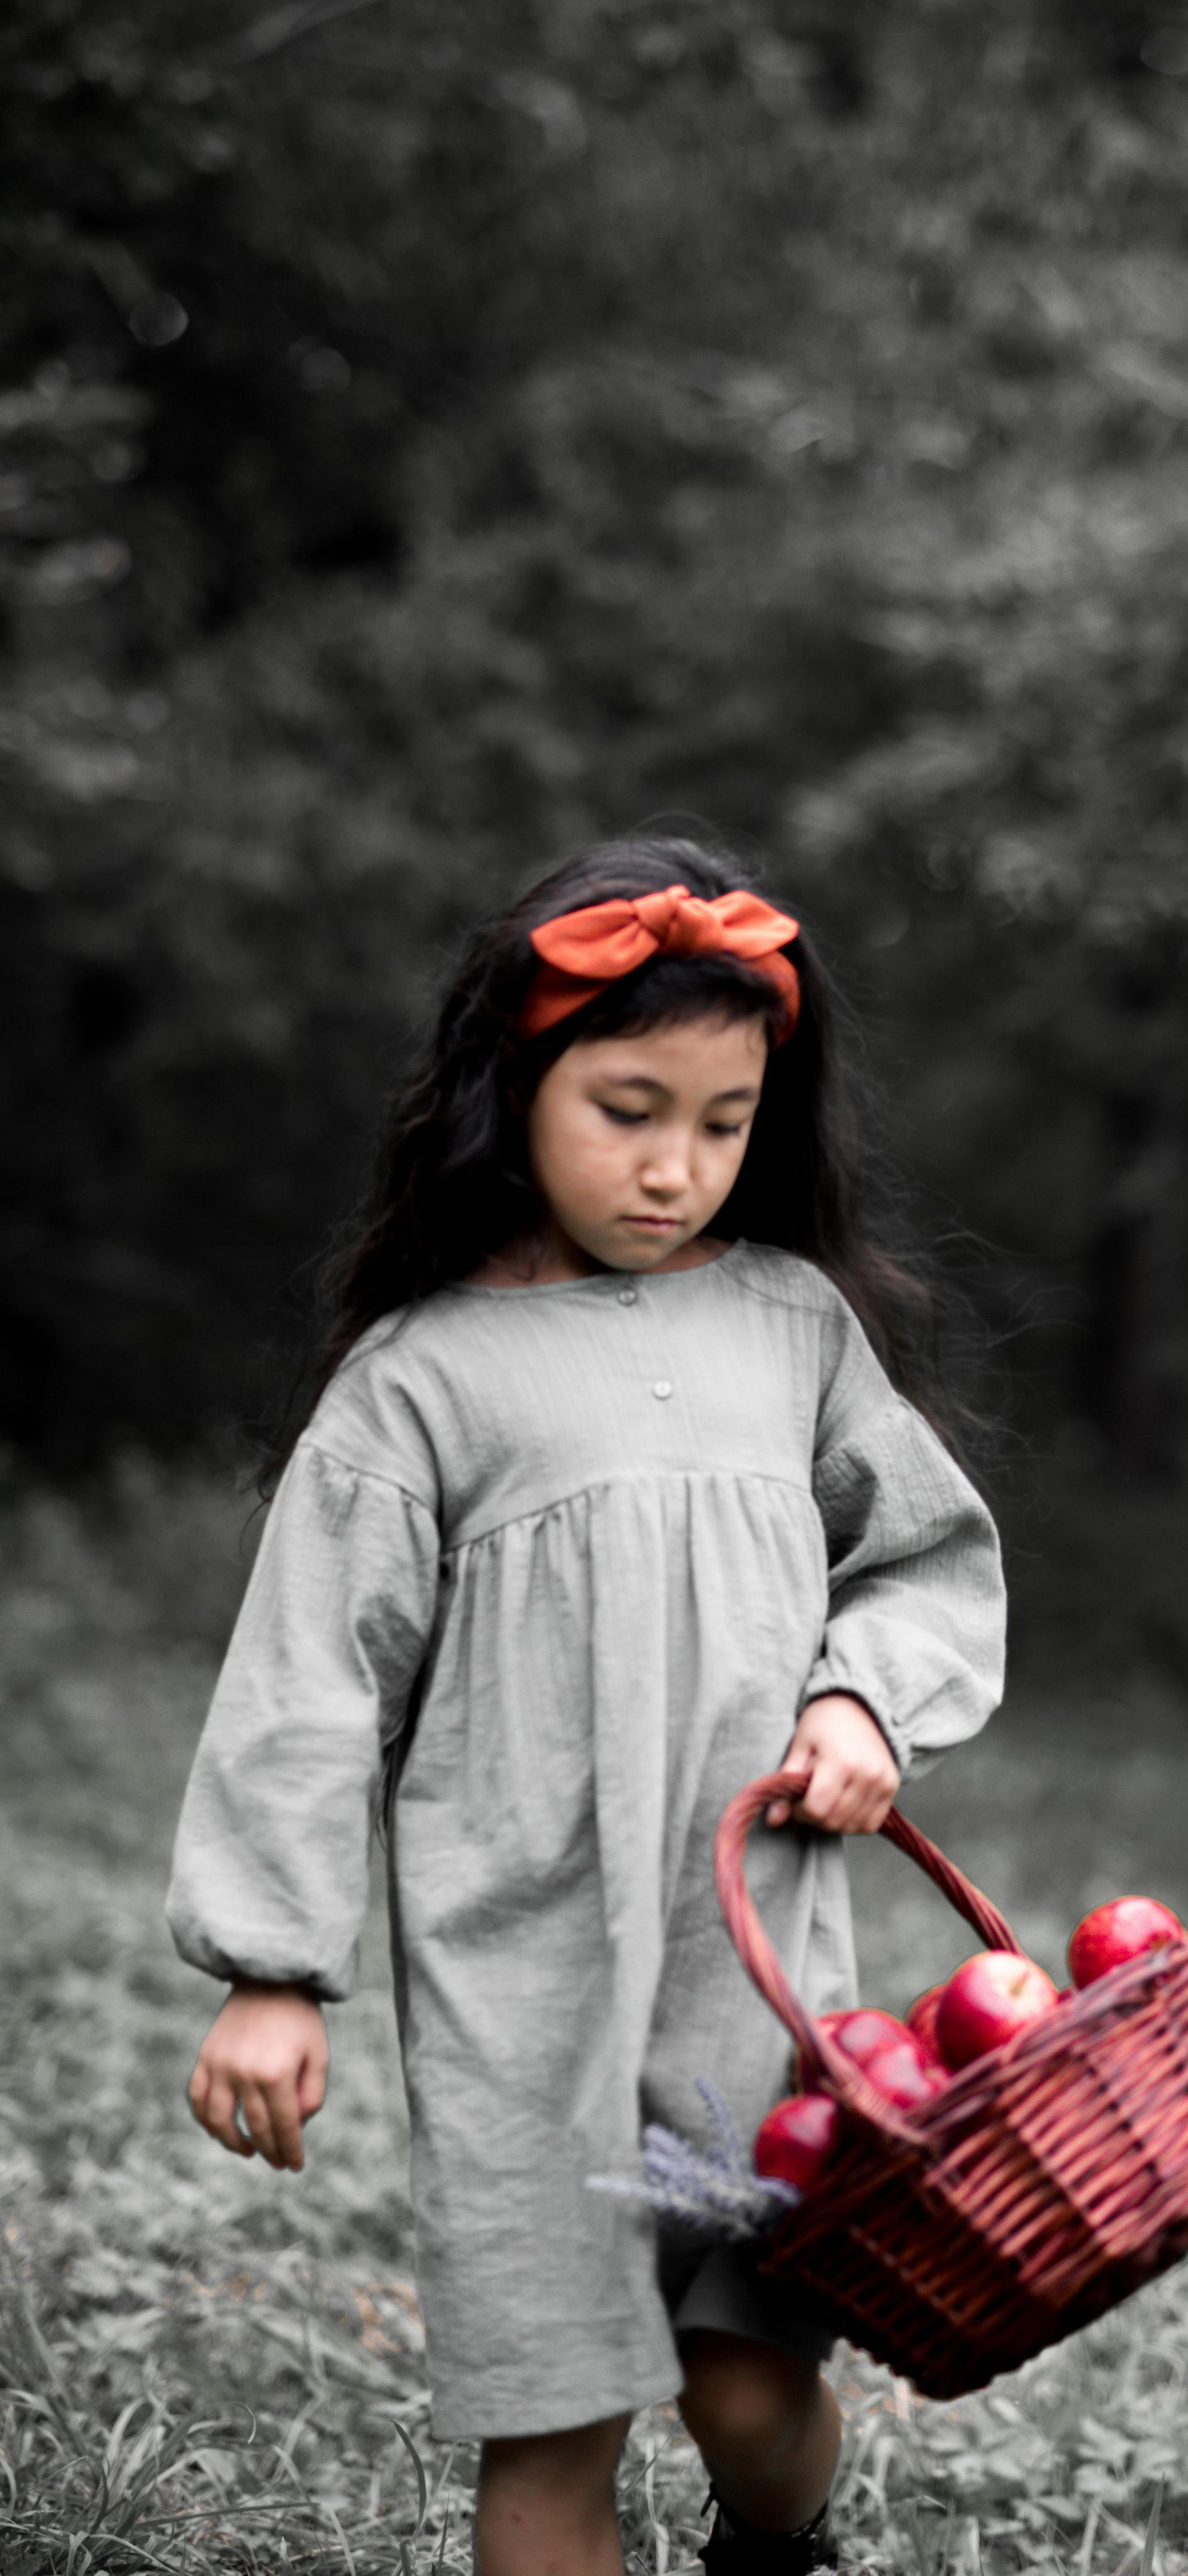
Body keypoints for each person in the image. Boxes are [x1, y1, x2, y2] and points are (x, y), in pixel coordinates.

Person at [165, 835, 1007, 2576]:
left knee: (751, 2388)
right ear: (515, 1086)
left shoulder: (793, 1327)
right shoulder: (419, 1382)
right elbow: (309, 1682)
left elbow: (925, 1559)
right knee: (551, 2432)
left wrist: (864, 1703)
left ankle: (778, 2550)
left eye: (724, 1120)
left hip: (746, 1995)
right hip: (519, 2008)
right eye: (629, 1109)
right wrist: (272, 1966)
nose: (675, 1165)